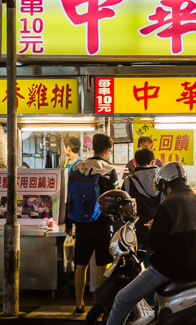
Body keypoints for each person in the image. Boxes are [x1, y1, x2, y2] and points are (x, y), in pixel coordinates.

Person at [107, 162, 196, 325]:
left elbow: (154, 244)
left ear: (164, 183)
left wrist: (154, 227)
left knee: (122, 298)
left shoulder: (168, 204)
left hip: (166, 269)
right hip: (194, 267)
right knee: (157, 301)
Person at [66, 133, 118, 315]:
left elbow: (70, 197)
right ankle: (100, 305)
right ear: (106, 150)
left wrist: (68, 223)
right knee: (102, 265)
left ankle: (79, 305)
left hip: (81, 223)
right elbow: (114, 197)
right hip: (102, 223)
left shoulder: (79, 167)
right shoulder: (109, 169)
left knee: (81, 264)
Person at [121, 147, 162, 263]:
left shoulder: (128, 181)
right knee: (153, 269)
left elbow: (125, 209)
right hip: (156, 230)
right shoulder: (161, 181)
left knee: (135, 268)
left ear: (135, 162)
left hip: (135, 232)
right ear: (152, 161)